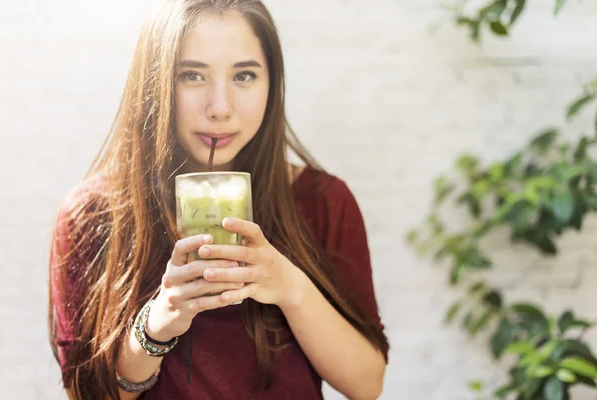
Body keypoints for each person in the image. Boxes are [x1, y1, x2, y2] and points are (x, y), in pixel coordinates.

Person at [48, 1, 389, 399]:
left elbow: (367, 385)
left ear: (273, 83)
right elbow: (85, 395)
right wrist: (158, 324)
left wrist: (289, 286)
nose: (220, 108)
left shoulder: (322, 201)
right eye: (192, 75)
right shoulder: (94, 213)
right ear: (153, 83)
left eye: (244, 75)